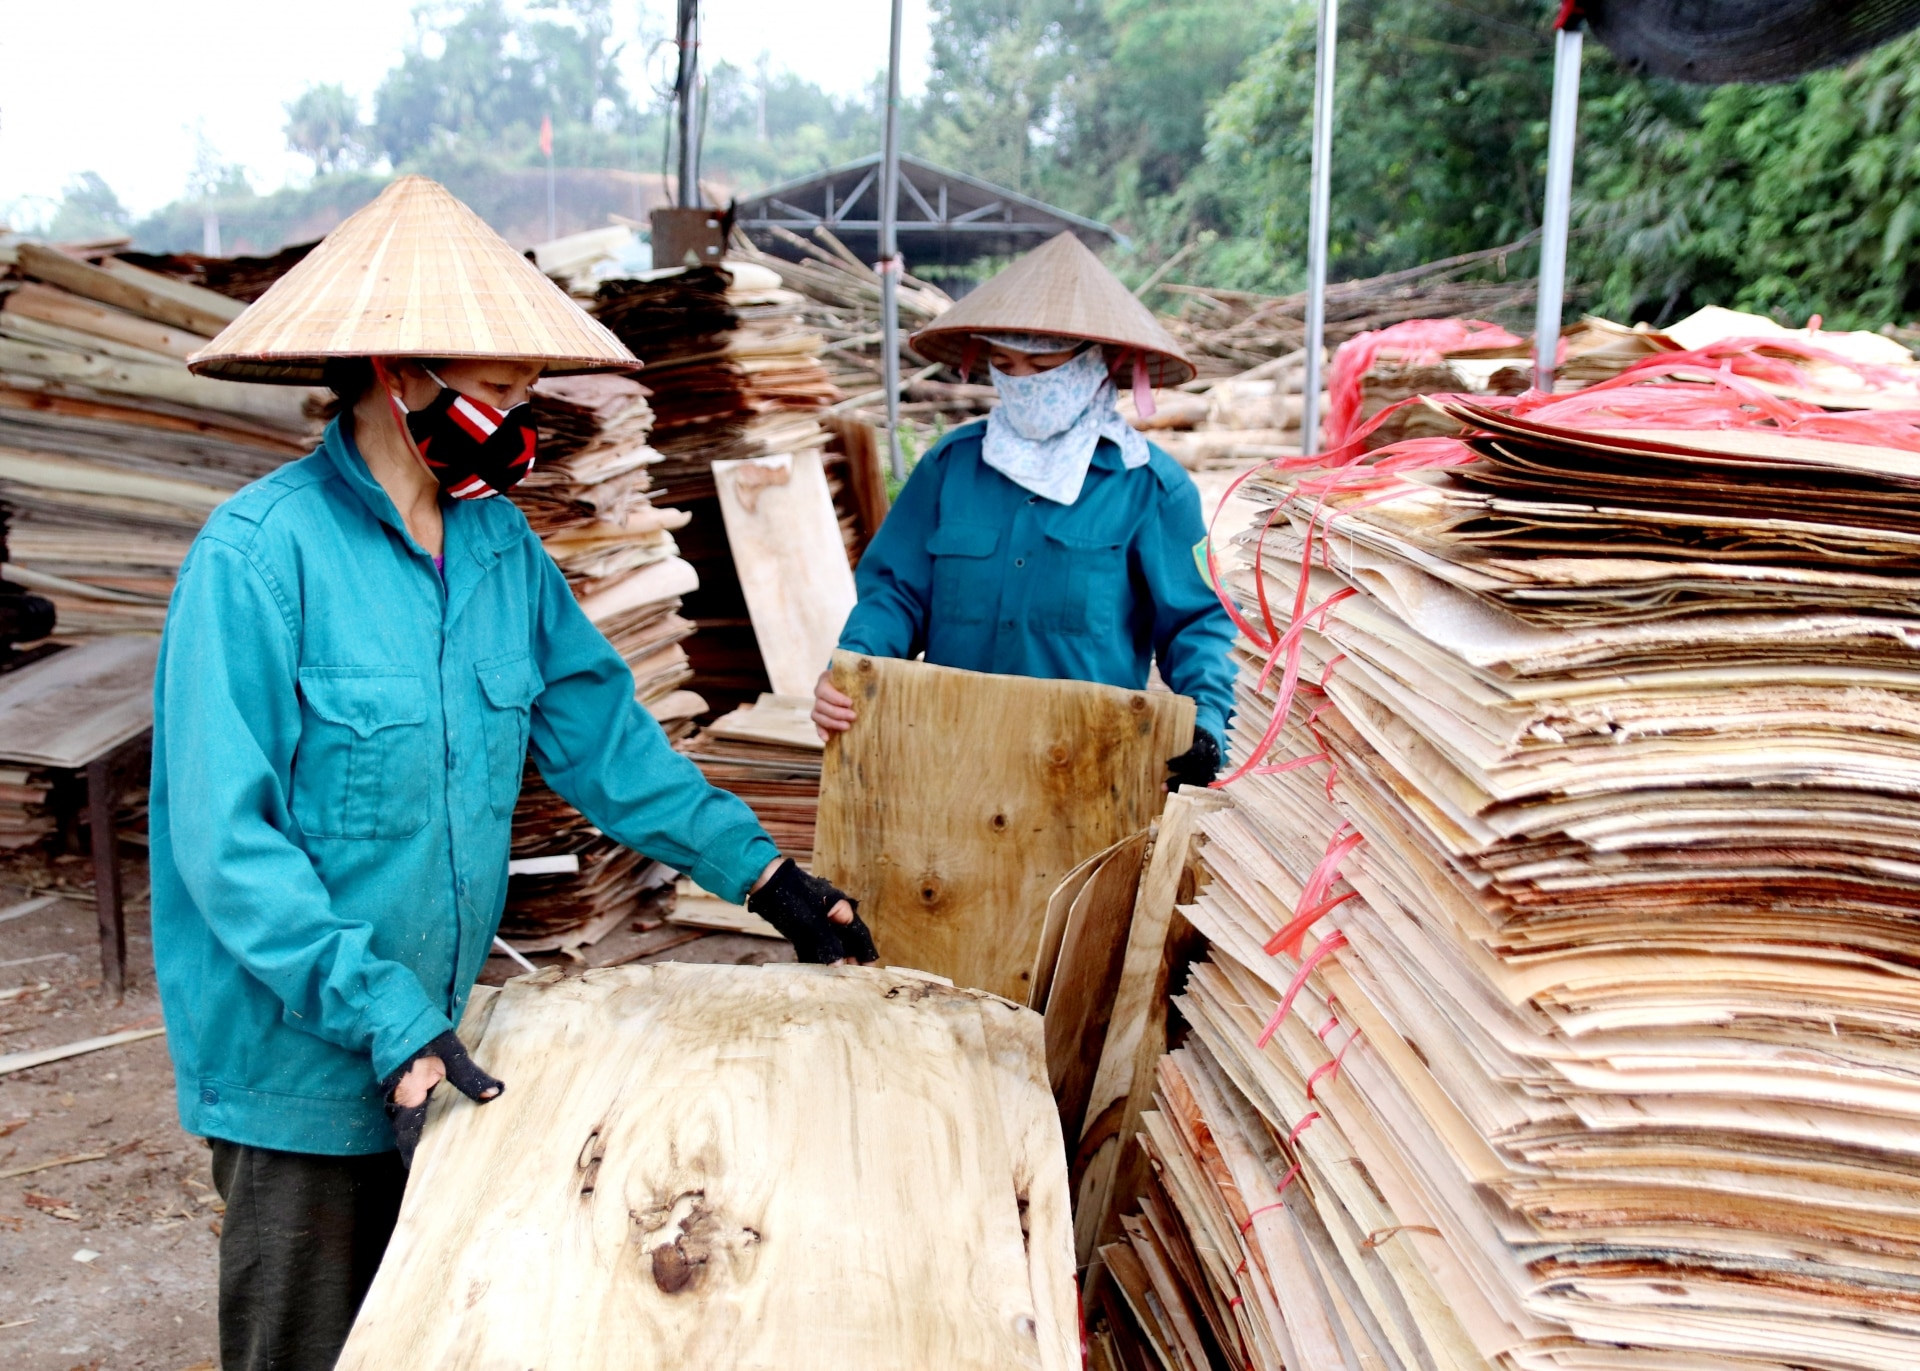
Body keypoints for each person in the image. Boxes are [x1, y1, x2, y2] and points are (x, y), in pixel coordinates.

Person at [153, 176, 874, 1371]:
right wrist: (385, 1018)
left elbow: (605, 741)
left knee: (431, 1330)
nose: (517, 415)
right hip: (299, 1054)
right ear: (397, 373)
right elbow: (229, 850)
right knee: (310, 1344)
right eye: (493, 390)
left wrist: (767, 880)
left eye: (527, 389)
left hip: (439, 1032)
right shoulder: (255, 560)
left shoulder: (495, 544)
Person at [812, 232, 1235, 787]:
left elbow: (1196, 623)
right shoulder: (950, 467)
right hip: (944, 760)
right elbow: (895, 594)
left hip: (1085, 771)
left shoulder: (1151, 488)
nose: (1022, 383)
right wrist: (852, 666)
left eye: (1043, 367)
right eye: (1005, 364)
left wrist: (1205, 722)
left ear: (1094, 366)